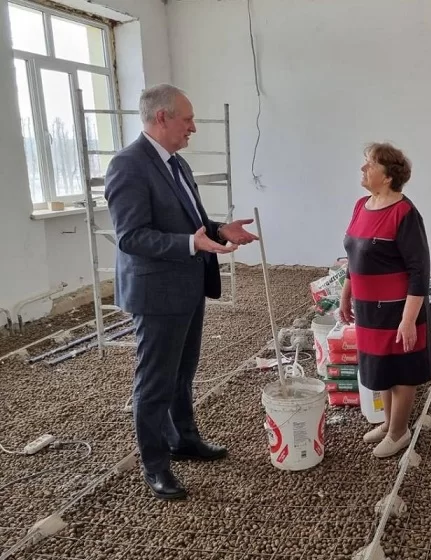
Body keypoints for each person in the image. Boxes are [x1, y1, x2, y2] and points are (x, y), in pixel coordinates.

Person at [104, 84, 258, 500]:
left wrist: (220, 230)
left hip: (187, 286)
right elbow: (131, 237)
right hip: (156, 293)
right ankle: (155, 465)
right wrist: (192, 243)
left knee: (183, 372)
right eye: (187, 119)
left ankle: (184, 438)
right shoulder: (128, 166)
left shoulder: (177, 164)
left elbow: (194, 223)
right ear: (161, 118)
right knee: (155, 381)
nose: (193, 127)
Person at [339, 142, 431, 458]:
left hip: (399, 309)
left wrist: (408, 320)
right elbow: (354, 254)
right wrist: (346, 293)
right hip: (369, 309)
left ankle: (399, 431)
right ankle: (389, 422)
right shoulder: (361, 206)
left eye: (370, 164)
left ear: (389, 176)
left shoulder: (404, 213)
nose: (363, 168)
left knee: (402, 370)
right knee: (382, 367)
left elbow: (419, 270)